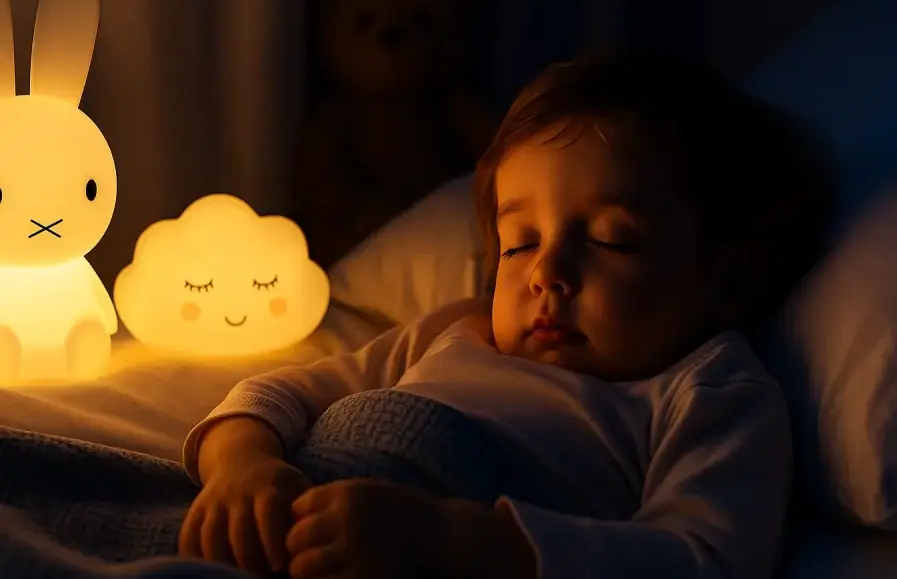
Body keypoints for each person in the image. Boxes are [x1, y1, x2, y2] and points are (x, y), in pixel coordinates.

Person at [177, 50, 835, 579]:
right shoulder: (456, 330)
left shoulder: (709, 389)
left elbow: (703, 558)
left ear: (721, 276)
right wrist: (242, 467)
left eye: (611, 240)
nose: (547, 273)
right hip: (294, 511)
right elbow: (280, 394)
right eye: (519, 243)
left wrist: (455, 540)